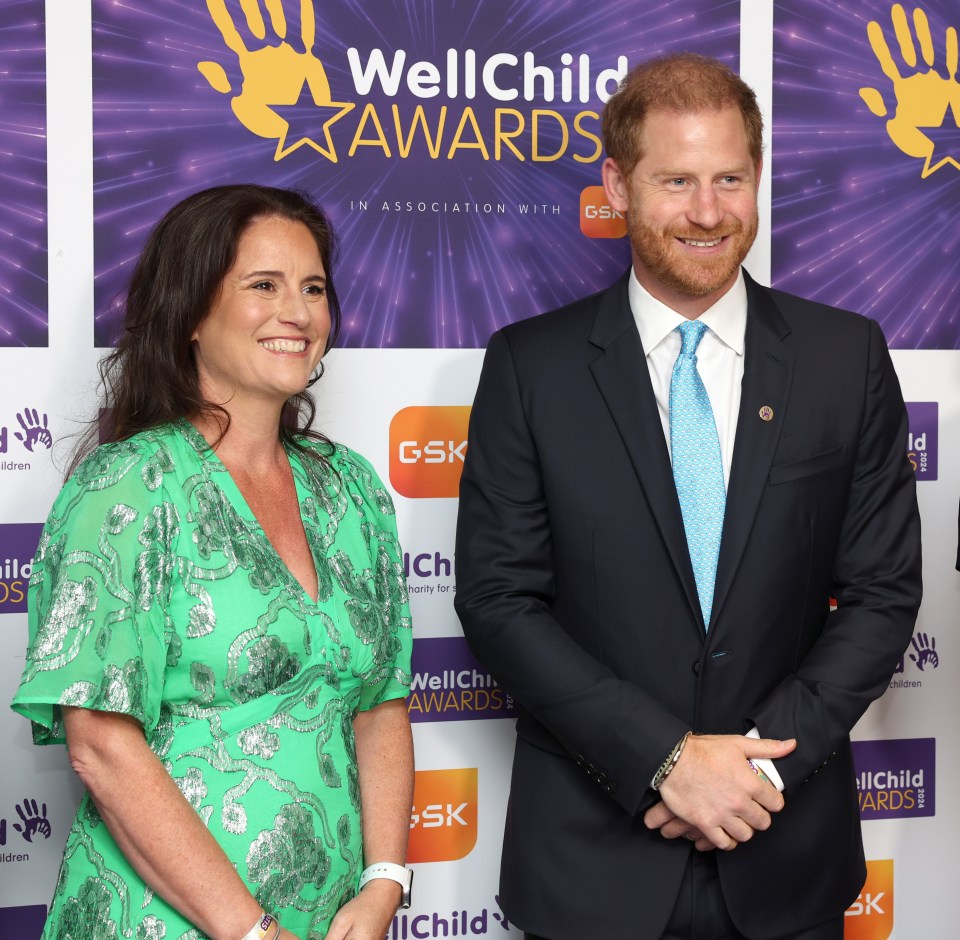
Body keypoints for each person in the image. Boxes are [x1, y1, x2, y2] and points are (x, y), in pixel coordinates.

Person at [454, 53, 921, 940]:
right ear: (618, 186)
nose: (708, 212)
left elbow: (883, 593)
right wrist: (663, 760)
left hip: (786, 858)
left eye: (730, 179)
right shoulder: (531, 367)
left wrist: (755, 772)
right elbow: (498, 598)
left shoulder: (844, 358)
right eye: (676, 180)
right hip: (592, 865)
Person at [12, 185, 415, 940]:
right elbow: (100, 744)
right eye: (263, 285)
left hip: (327, 921)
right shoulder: (129, 486)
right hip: (160, 921)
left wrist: (383, 881)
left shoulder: (351, 488)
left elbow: (381, 702)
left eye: (314, 288)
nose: (296, 311)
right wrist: (251, 932)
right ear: (192, 312)